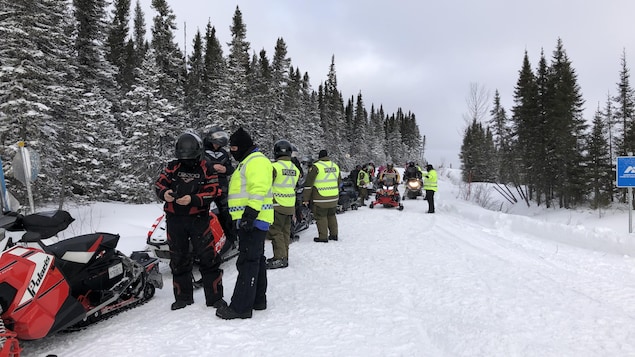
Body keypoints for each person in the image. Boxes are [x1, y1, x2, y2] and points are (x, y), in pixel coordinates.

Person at [154, 131, 225, 311]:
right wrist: (165, 194)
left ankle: (215, 297)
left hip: (198, 219)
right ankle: (183, 297)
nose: (186, 161)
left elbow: (214, 191)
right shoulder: (172, 167)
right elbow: (160, 183)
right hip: (175, 219)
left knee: (208, 258)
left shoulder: (206, 167)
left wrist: (193, 199)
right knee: (178, 259)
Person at [216, 127, 273, 320]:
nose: (231, 151)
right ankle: (258, 300)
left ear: (242, 146)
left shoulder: (255, 161)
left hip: (253, 220)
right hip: (251, 220)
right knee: (255, 260)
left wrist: (250, 214)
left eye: (233, 147)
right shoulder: (248, 161)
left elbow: (259, 188)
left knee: (247, 261)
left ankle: (240, 308)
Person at [266, 139, 300, 269]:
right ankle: (284, 256)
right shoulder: (295, 169)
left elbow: (267, 184)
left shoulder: (274, 167)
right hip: (289, 204)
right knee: (285, 232)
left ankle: (279, 258)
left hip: (277, 203)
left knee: (275, 231)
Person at [202, 126, 236, 253]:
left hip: (222, 186)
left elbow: (231, 168)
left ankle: (230, 238)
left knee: (226, 212)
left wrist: (225, 170)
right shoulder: (201, 151)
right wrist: (211, 167)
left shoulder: (224, 153)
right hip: (205, 185)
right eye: (215, 143)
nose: (217, 146)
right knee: (204, 212)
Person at [303, 149, 341, 242]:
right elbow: (339, 181)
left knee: (321, 217)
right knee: (332, 215)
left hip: (321, 198)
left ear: (319, 157)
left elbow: (308, 184)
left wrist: (306, 199)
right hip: (334, 197)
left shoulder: (316, 167)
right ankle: (334, 234)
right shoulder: (335, 166)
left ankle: (323, 237)